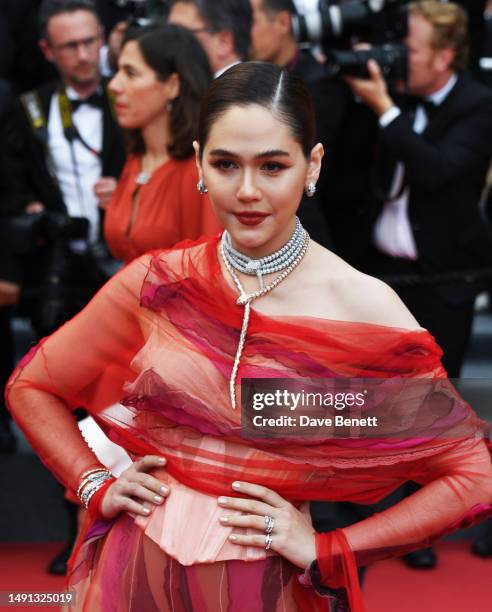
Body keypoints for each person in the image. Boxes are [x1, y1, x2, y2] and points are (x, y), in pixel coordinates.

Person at [6, 62, 492, 611]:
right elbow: (32, 386)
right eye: (225, 164)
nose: (247, 191)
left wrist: (329, 548)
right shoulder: (159, 281)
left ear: (312, 167)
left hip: (263, 587)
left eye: (273, 166)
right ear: (198, 164)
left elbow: (471, 475)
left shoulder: (362, 305)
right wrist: (94, 483)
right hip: (132, 570)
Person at [103, 24, 220, 264]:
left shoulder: (198, 172)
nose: (114, 85)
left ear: (172, 85)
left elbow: (212, 271)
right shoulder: (136, 157)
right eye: (117, 71)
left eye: (131, 73)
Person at [167, 0, 252, 77]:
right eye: (168, 33)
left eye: (178, 35)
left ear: (223, 41)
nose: (168, 43)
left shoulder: (243, 92)